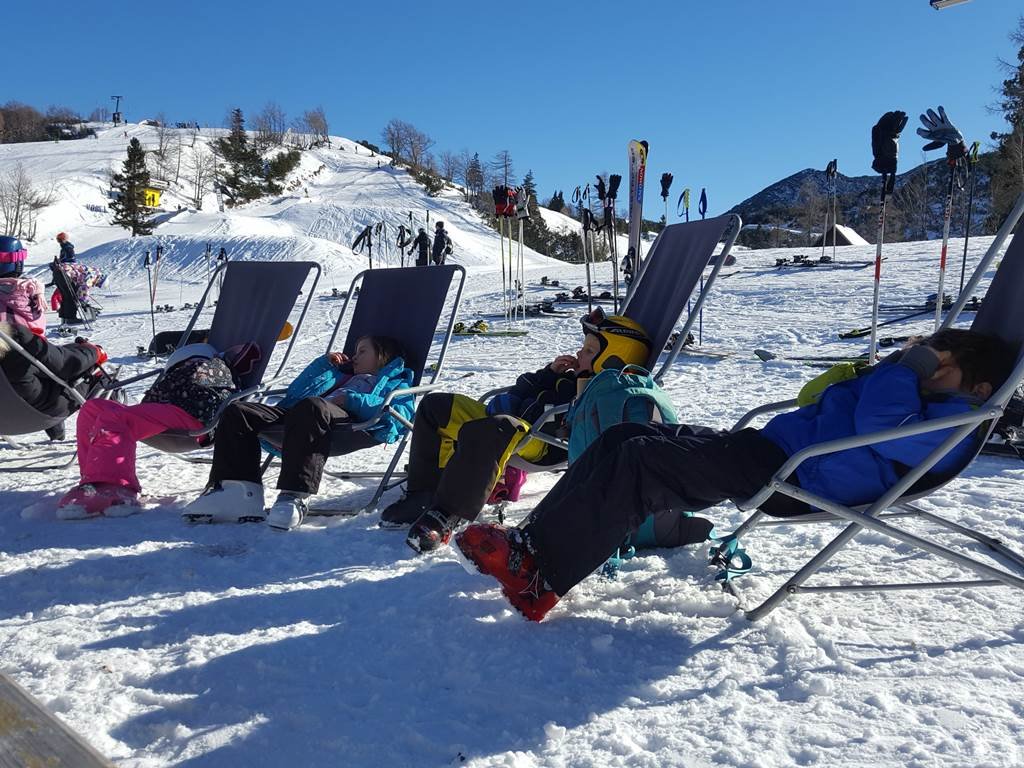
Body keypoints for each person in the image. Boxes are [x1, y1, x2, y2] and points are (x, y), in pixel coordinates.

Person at [454, 329, 1018, 621]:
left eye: (943, 369)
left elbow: (878, 420)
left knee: (642, 465)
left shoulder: (956, 424)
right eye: (929, 362)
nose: (927, 371)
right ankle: (530, 545)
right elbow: (834, 400)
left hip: (793, 478)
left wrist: (908, 368)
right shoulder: (927, 404)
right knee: (624, 438)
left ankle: (540, 578)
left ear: (979, 390)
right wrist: (899, 368)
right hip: (772, 450)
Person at [382, 310, 653, 554]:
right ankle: (424, 492)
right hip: (514, 422)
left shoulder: (595, 392)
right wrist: (548, 374)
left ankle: (447, 513)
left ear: (613, 359)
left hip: (543, 442)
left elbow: (573, 424)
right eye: (583, 348)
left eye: (590, 351)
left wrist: (572, 387)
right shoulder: (567, 378)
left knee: (497, 428)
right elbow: (522, 388)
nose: (580, 355)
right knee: (435, 406)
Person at [182, 335, 414, 530]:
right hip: (304, 415)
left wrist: (351, 399)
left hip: (348, 424)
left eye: (362, 351)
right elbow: (298, 392)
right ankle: (238, 491)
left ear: (383, 357)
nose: (354, 356)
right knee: (238, 411)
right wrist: (324, 365)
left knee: (313, 406)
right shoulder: (342, 376)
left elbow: (397, 409)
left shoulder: (396, 382)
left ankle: (293, 496)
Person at [56, 342, 262, 519]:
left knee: (115, 417)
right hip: (169, 413)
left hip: (195, 418)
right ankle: (93, 481)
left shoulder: (216, 366)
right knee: (93, 408)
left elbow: (245, 363)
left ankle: (118, 488)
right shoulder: (192, 368)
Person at [0, 321, 105, 441]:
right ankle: (110, 434)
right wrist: (94, 351)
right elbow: (67, 364)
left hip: (4, 423)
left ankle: (57, 432)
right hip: (45, 414)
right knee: (97, 375)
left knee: (39, 372)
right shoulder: (15, 338)